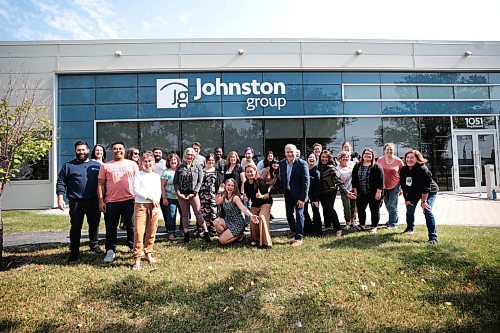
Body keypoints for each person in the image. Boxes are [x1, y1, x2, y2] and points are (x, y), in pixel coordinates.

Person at [56, 140, 102, 263]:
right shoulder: (68, 166)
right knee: (76, 226)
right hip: (76, 201)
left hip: (94, 201)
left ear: (88, 150)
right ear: (76, 151)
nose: (81, 152)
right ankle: (74, 251)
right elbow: (61, 182)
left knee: (94, 224)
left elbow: (103, 183)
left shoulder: (97, 165)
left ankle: (94, 245)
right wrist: (60, 198)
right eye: (78, 150)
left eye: (83, 150)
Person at [98, 142, 139, 263]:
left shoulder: (132, 164)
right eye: (115, 149)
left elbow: (138, 181)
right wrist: (101, 201)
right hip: (111, 201)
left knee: (132, 226)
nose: (117, 151)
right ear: (112, 151)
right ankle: (110, 250)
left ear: (124, 150)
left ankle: (133, 248)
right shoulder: (105, 166)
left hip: (130, 200)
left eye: (120, 149)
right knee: (111, 227)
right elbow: (100, 184)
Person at [400, 149, 439, 244]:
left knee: (427, 210)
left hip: (429, 191)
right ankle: (410, 228)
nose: (409, 159)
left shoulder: (423, 169)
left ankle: (433, 238)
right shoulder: (404, 169)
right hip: (414, 192)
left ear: (417, 159)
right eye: (407, 157)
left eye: (412, 158)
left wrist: (423, 202)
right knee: (410, 209)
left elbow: (426, 188)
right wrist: (407, 199)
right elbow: (404, 186)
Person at [131, 151, 161, 271]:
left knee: (151, 231)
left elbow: (158, 192)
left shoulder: (156, 176)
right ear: (142, 163)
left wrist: (155, 206)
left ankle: (148, 253)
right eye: (146, 161)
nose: (148, 164)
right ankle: (137, 258)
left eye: (150, 161)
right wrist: (149, 198)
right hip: (141, 205)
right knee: (139, 232)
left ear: (153, 163)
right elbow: (136, 190)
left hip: (154, 206)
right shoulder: (138, 175)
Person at [174, 147, 210, 243]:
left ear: (194, 156)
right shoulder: (180, 167)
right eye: (188, 154)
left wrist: (194, 192)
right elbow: (175, 182)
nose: (189, 156)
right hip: (182, 194)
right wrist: (178, 193)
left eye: (191, 154)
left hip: (193, 194)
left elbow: (200, 181)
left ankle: (206, 233)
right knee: (184, 215)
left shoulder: (198, 166)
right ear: (185, 155)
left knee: (198, 214)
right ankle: (186, 234)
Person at [318, 150, 356, 237]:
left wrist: (346, 191)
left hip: (330, 192)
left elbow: (338, 181)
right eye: (322, 157)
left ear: (329, 158)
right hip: (321, 192)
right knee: (325, 209)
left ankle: (338, 228)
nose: (324, 159)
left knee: (330, 208)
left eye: (326, 157)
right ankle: (328, 226)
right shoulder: (319, 167)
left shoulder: (331, 168)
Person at [279, 144, 309, 247]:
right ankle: (293, 230)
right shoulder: (282, 163)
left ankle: (299, 237)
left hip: (299, 195)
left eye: (291, 151)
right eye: (287, 152)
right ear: (285, 153)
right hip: (288, 193)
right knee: (288, 214)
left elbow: (306, 182)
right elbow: (283, 178)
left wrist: (302, 198)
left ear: (296, 152)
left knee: (299, 214)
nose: (290, 154)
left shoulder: (302, 164)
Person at [213, 178, 259, 245]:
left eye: (232, 186)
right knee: (216, 222)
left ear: (234, 187)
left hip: (237, 224)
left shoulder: (235, 198)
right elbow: (217, 202)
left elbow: (243, 208)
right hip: (228, 221)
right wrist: (219, 191)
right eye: (228, 185)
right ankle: (228, 235)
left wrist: (251, 215)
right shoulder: (224, 196)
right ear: (225, 186)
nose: (230, 187)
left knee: (222, 241)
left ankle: (239, 236)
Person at [352, 148, 384, 234]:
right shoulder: (357, 166)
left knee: (374, 210)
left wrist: (379, 192)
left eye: (369, 154)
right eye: (365, 154)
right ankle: (362, 225)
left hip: (374, 193)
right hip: (361, 192)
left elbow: (380, 181)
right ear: (362, 155)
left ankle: (374, 226)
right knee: (361, 209)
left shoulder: (377, 166)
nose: (367, 155)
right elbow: (354, 179)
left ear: (372, 156)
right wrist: (355, 190)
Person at [243, 164, 273, 249]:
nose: (249, 174)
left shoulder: (260, 181)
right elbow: (248, 195)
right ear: (245, 173)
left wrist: (261, 196)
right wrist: (246, 198)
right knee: (253, 217)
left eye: (251, 172)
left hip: (265, 203)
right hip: (255, 204)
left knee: (262, 217)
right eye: (247, 172)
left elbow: (267, 195)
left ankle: (266, 243)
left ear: (255, 172)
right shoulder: (246, 183)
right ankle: (255, 239)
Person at [377, 143, 404, 229]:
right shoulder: (380, 160)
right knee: (387, 204)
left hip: (395, 185)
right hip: (383, 186)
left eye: (391, 149)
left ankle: (393, 224)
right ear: (384, 150)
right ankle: (394, 218)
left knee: (393, 205)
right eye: (387, 149)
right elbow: (377, 173)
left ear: (394, 150)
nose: (389, 151)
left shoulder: (399, 161)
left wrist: (401, 188)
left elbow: (403, 175)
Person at [161, 153, 181, 240]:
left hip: (181, 197)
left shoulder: (181, 170)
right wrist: (164, 198)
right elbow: (162, 186)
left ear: (178, 161)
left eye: (175, 160)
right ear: (169, 162)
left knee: (184, 214)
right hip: (170, 197)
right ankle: (171, 232)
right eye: (171, 160)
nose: (173, 161)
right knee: (171, 215)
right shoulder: (166, 172)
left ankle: (183, 230)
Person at [336, 151, 358, 231]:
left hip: (353, 188)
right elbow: (338, 181)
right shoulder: (337, 168)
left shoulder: (352, 165)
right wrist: (345, 190)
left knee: (354, 206)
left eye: (346, 157)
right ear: (340, 159)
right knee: (346, 206)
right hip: (344, 190)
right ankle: (348, 222)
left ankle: (354, 221)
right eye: (343, 157)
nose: (345, 158)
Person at [200, 153, 219, 236]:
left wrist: (218, 194)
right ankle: (206, 231)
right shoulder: (202, 170)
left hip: (213, 195)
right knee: (204, 213)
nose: (211, 162)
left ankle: (214, 230)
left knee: (213, 212)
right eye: (209, 160)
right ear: (206, 161)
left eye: (212, 160)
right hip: (202, 195)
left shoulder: (216, 171)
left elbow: (219, 184)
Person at [303, 152, 322, 236]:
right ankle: (308, 228)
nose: (311, 158)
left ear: (315, 159)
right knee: (304, 211)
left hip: (314, 195)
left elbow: (318, 187)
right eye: (310, 157)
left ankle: (318, 231)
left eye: (313, 157)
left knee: (316, 212)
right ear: (307, 159)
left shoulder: (316, 171)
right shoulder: (304, 169)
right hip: (305, 194)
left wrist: (316, 199)